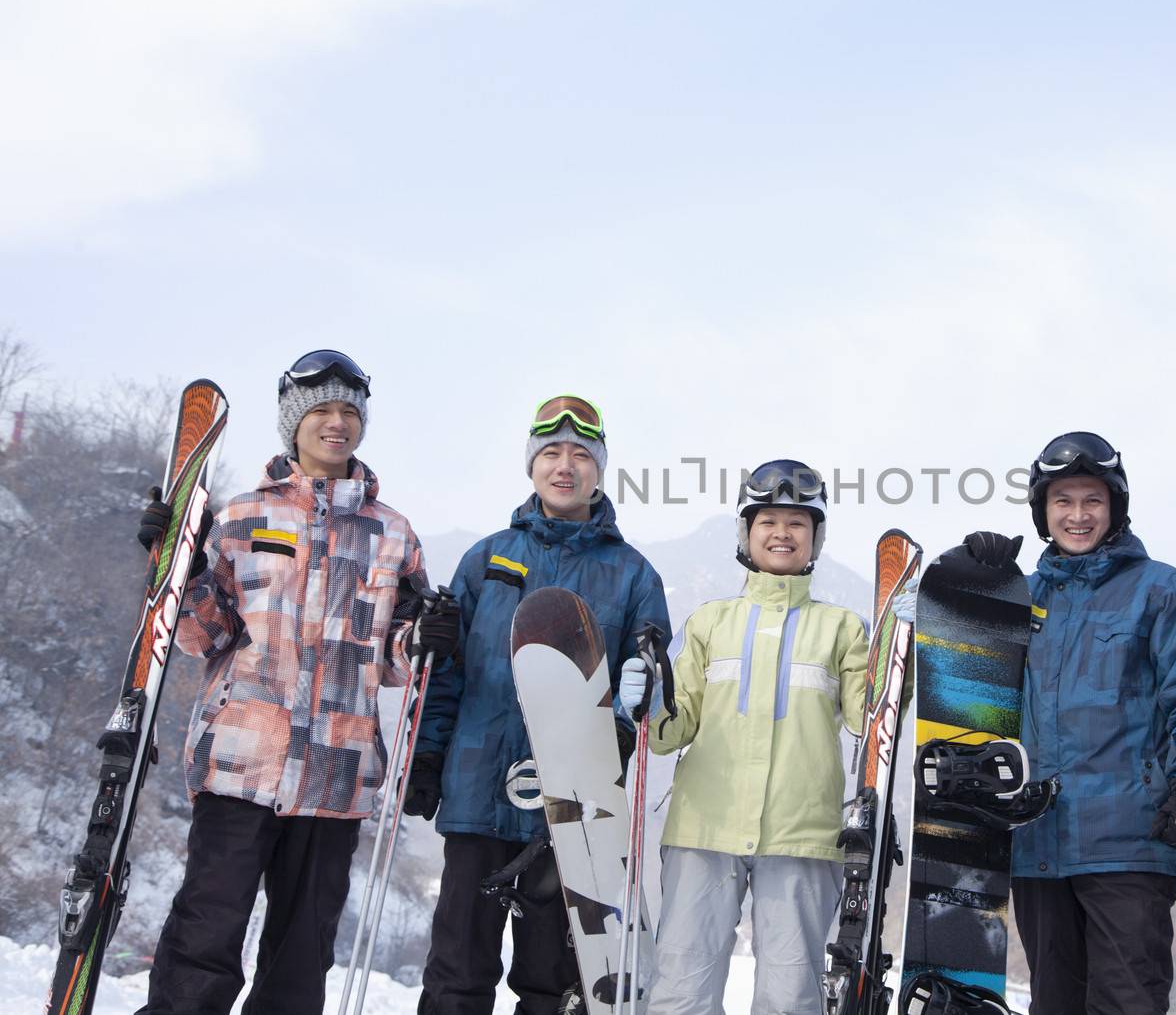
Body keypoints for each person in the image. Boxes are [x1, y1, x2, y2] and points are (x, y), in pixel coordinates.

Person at [134, 349, 458, 1015]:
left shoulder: (393, 534)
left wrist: (425, 638)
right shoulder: (244, 516)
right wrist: (177, 567)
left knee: (300, 956)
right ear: (294, 422)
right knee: (205, 935)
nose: (336, 422)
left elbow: (396, 659)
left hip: (336, 775)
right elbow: (201, 635)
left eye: (349, 410)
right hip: (239, 763)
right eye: (321, 410)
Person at [407, 393, 671, 1015]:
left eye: (581, 454)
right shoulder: (487, 559)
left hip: (575, 813)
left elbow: (652, 680)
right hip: (477, 791)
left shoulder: (634, 576)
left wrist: (630, 719)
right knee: (457, 972)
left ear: (599, 469)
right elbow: (447, 674)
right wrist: (426, 759)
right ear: (531, 465)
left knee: (550, 984)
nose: (565, 466)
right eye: (551, 452)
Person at [994, 431, 1176, 1015]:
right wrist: (968, 590)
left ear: (1115, 507)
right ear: (1043, 513)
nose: (1078, 516)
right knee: (1054, 1003)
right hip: (1037, 838)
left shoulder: (1163, 590)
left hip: (1129, 838)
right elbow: (972, 694)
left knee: (1129, 1001)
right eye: (1063, 502)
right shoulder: (1018, 598)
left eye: (1092, 501)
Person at [631, 459, 869, 1015]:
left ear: (816, 539)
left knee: (791, 997)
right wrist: (647, 703)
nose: (782, 533)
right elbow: (673, 729)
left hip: (802, 833)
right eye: (767, 521)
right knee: (680, 990)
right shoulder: (710, 622)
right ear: (746, 533)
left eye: (797, 523)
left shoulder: (842, 628)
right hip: (704, 827)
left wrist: (901, 658)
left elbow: (868, 718)